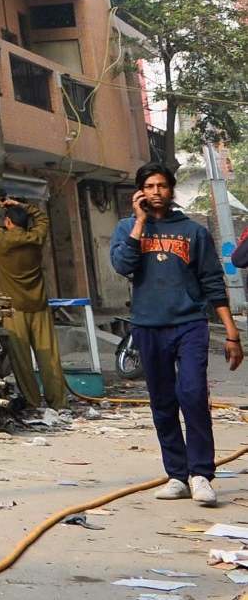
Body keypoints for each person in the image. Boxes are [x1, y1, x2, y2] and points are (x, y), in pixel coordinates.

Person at [111, 161, 245, 505]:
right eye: (150, 187)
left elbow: (213, 282)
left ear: (171, 190)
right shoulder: (127, 228)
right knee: (163, 403)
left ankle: (201, 474)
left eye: (162, 186)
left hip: (190, 325)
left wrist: (231, 332)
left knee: (193, 395)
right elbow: (123, 266)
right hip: (147, 326)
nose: (156, 193)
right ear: (140, 192)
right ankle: (177, 475)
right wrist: (139, 223)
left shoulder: (192, 232)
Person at [0, 192, 69, 410]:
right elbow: (42, 218)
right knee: (49, 357)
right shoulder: (36, 237)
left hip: (14, 310)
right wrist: (21, 204)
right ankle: (58, 402)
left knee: (22, 361)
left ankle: (32, 401)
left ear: (8, 222)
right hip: (39, 306)